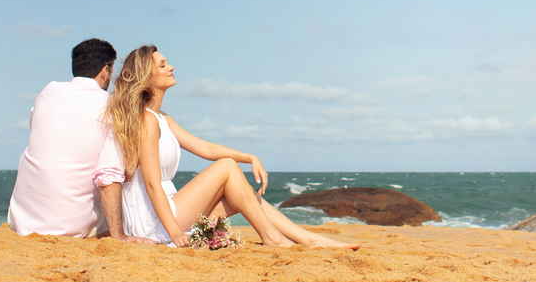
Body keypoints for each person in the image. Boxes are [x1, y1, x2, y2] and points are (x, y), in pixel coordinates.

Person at [105, 45, 359, 249]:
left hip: (167, 208)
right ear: (146, 79)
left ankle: (309, 239)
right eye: (162, 65)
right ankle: (274, 238)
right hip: (154, 219)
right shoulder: (147, 120)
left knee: (241, 192)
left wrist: (248, 156)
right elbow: (151, 184)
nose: (171, 67)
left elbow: (204, 148)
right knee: (227, 167)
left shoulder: (163, 119)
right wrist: (173, 232)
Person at [7, 38, 151, 243]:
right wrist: (118, 236)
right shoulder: (110, 106)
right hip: (70, 227)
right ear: (105, 71)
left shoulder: (47, 92)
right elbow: (108, 175)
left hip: (20, 220)